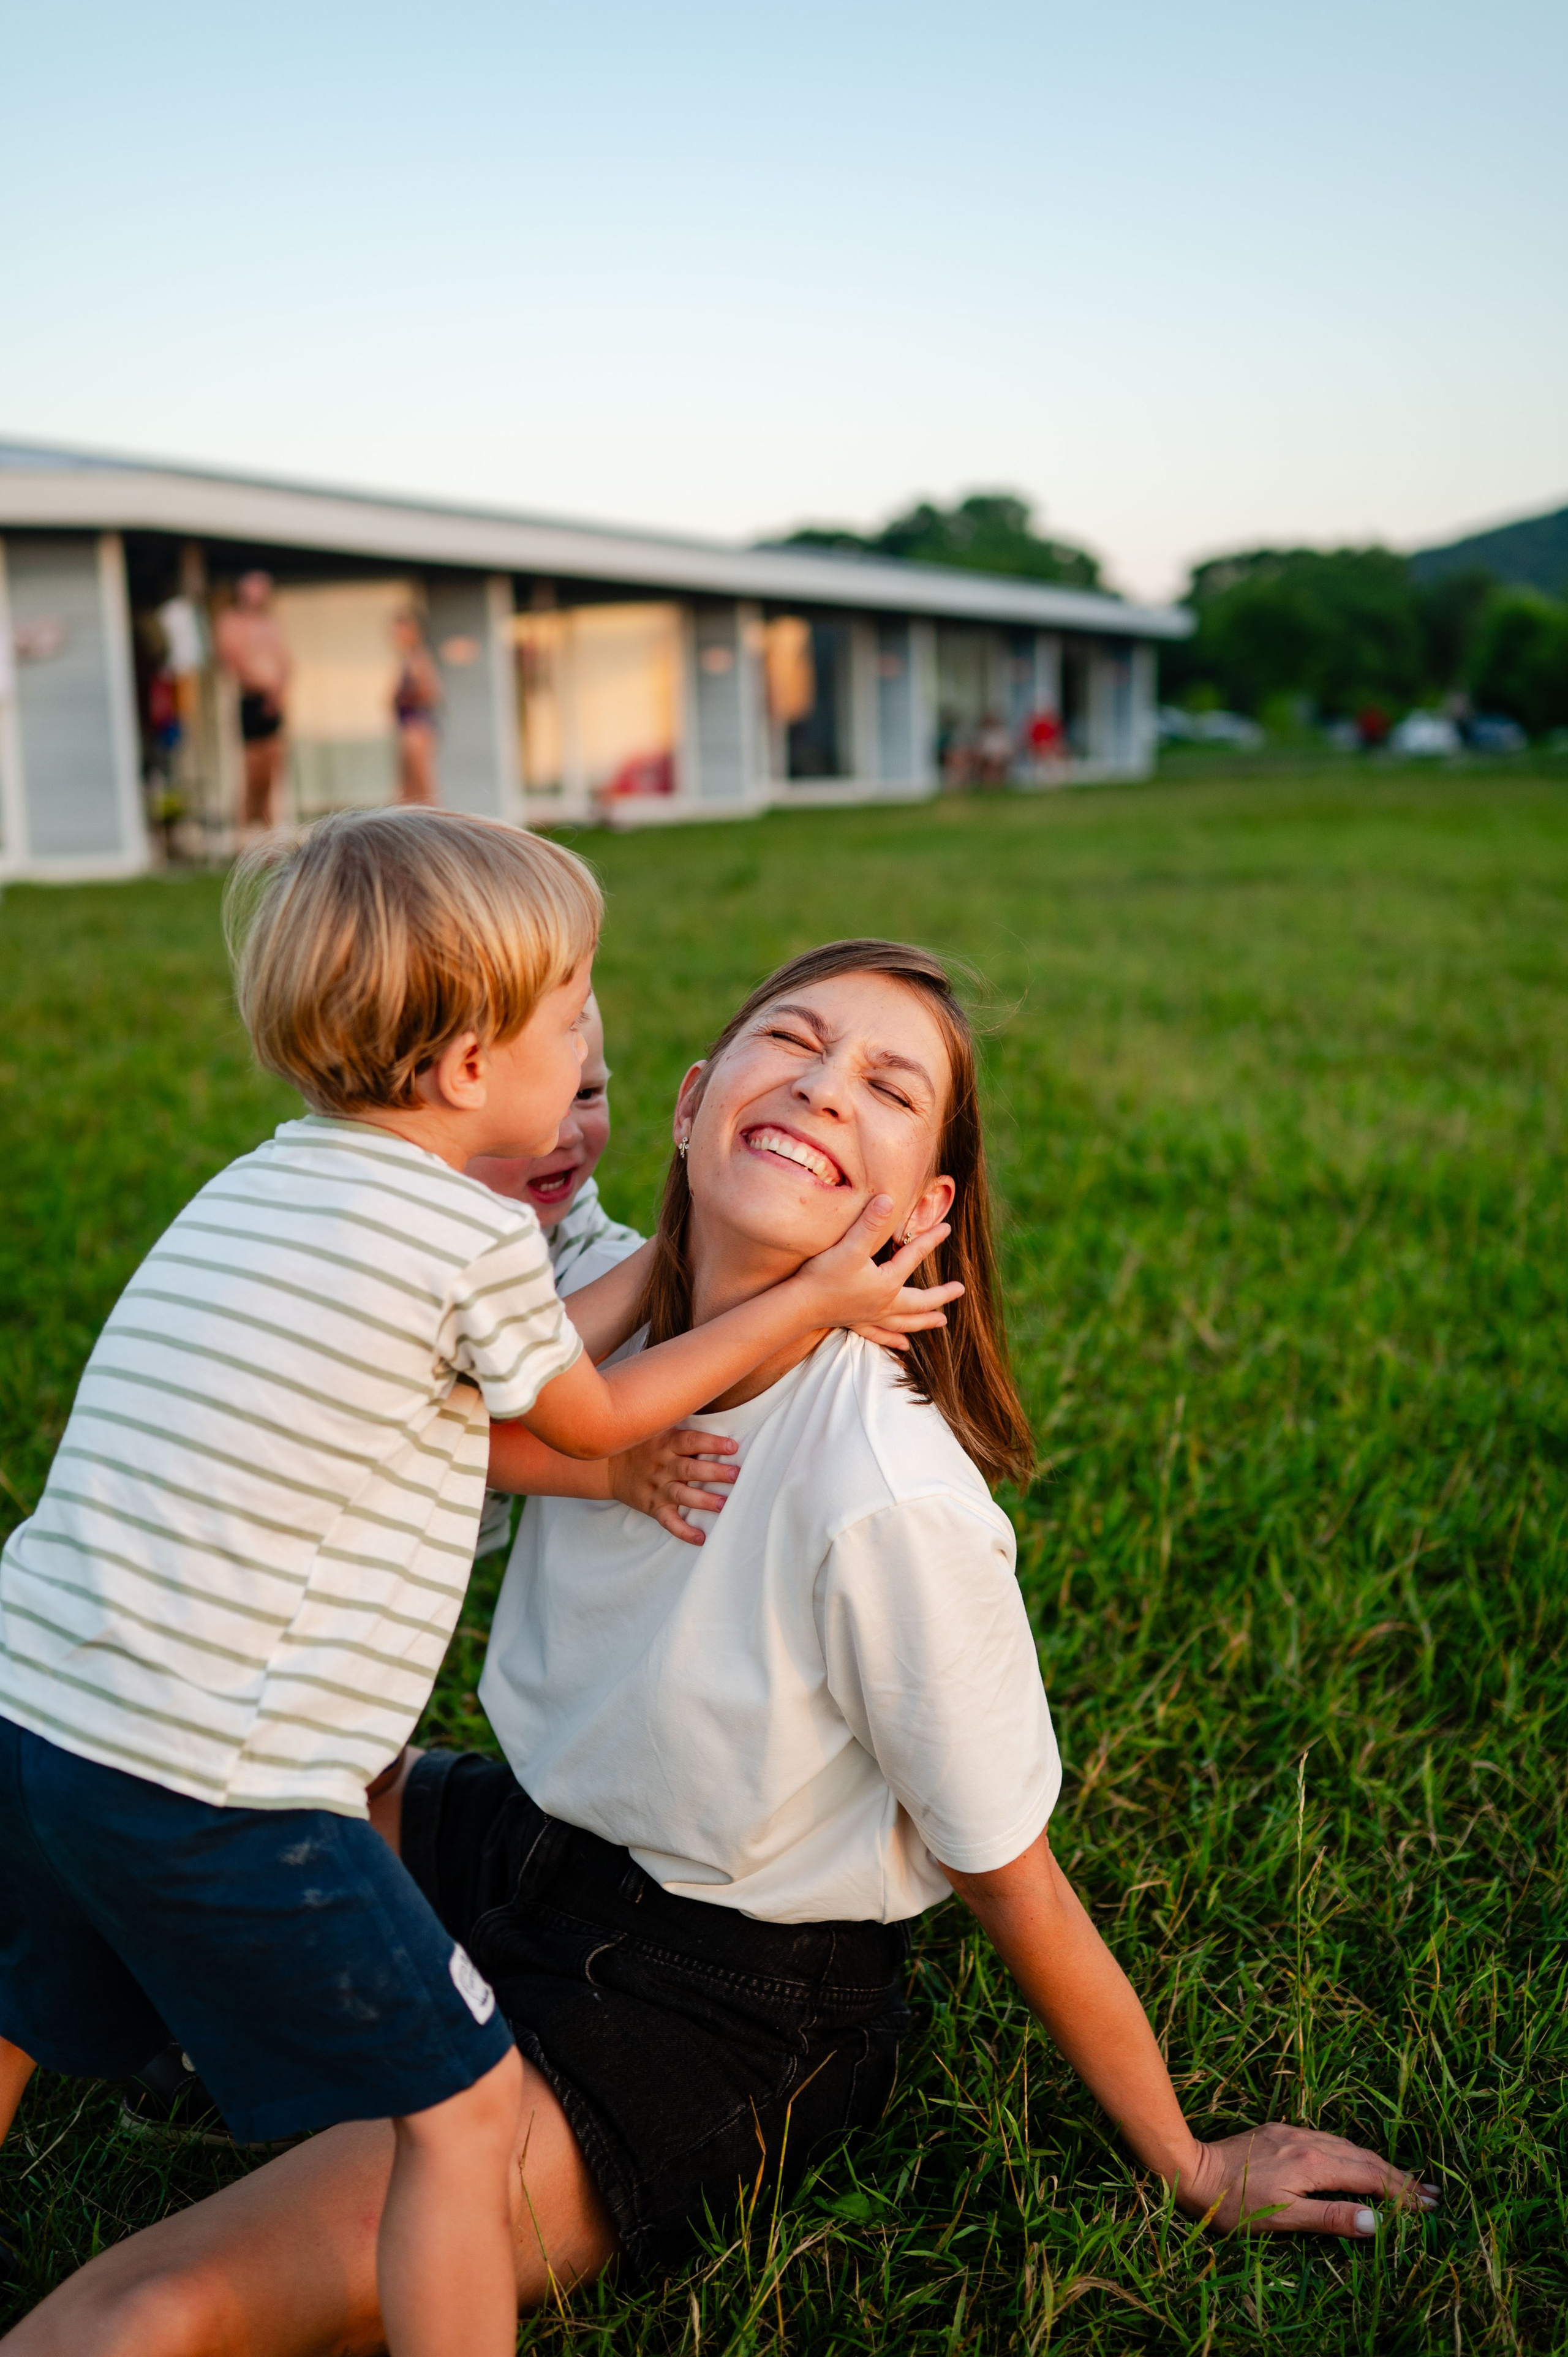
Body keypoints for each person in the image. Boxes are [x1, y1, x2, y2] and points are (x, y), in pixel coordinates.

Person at [1, 940, 1436, 2357]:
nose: (820, 1085)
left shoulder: (882, 1490)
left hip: (721, 1990)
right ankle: (223, 2027)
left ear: (922, 1210)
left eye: (884, 1083)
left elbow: (1011, 1874)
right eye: (791, 1039)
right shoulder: (555, 1294)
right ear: (685, 1103)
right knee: (179, 1787)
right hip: (531, 1842)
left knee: (145, 2312)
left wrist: (1184, 2152)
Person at [0, 838, 956, 2357]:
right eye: (570, 1006)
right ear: (461, 1066)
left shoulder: (265, 1177)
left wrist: (674, 1270)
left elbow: (494, 1384)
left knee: (26, 1988)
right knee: (458, 2112)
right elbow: (573, 1414)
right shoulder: (456, 1233)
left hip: (45, 1710)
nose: (591, 1037)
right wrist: (809, 1297)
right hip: (222, 1770)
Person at [214, 572, 292, 836]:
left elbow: (285, 662)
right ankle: (246, 833)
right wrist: (263, 688)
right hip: (252, 700)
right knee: (253, 774)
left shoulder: (271, 624)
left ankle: (271, 835)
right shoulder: (232, 622)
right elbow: (233, 660)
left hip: (274, 702)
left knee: (273, 772)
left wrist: (277, 693)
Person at [391, 614, 442, 808]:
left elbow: (432, 692)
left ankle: (439, 830)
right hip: (408, 727)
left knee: (424, 787)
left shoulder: (418, 658)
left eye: (401, 631)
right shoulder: (407, 659)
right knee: (407, 790)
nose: (396, 636)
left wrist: (403, 697)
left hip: (417, 727)